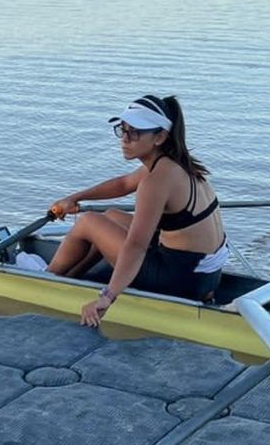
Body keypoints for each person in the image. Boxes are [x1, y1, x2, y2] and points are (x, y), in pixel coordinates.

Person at [44, 95, 229, 327]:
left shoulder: (156, 182)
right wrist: (74, 198)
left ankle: (44, 280)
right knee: (111, 216)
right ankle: (72, 277)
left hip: (181, 281)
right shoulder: (175, 164)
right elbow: (123, 184)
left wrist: (107, 298)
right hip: (208, 277)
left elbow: (136, 246)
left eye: (135, 133)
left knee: (88, 221)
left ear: (160, 137)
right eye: (123, 130)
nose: (125, 139)